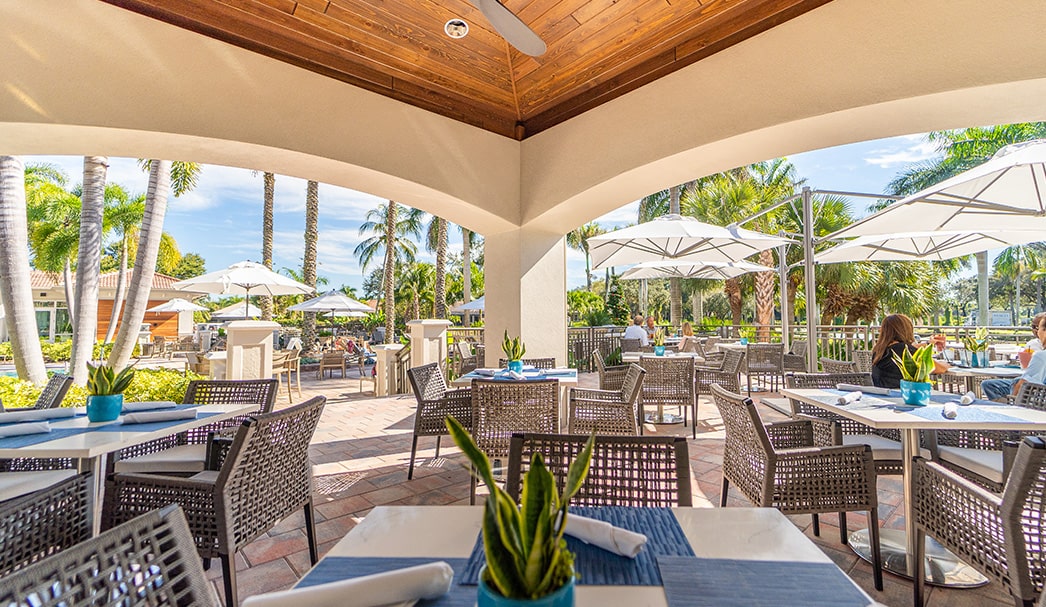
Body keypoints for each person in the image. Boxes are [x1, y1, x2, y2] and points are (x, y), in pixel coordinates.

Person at [871, 314, 950, 389]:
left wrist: (928, 343)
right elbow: (939, 369)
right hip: (902, 393)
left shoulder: (879, 350)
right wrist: (948, 365)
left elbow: (912, 347)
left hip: (881, 393)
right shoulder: (905, 350)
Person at [982, 314, 1046, 400]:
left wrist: (1013, 402)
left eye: (1038, 328)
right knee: (989, 384)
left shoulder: (1041, 356)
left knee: (989, 387)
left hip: (1033, 400)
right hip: (1039, 397)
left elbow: (1023, 385)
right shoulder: (1034, 347)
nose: (1036, 331)